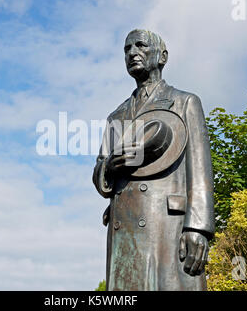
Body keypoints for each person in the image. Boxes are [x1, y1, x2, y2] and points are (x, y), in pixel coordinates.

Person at [92, 29, 215, 290]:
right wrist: (109, 167)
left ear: (162, 57)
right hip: (125, 225)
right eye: (127, 49)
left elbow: (200, 169)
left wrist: (198, 228)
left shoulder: (184, 102)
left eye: (141, 46)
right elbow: (99, 169)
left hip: (168, 225)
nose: (132, 53)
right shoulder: (116, 116)